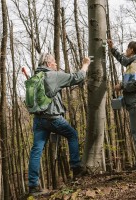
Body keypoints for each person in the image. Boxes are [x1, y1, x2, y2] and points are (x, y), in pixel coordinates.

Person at [28, 53, 90, 196]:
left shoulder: (35, 77)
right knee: (72, 135)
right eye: (54, 62)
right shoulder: (53, 75)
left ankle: (33, 185)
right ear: (49, 63)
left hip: (38, 119)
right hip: (53, 118)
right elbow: (77, 77)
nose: (56, 64)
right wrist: (85, 64)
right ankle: (76, 168)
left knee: (36, 150)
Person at [107, 40, 136, 170]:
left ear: (131, 50)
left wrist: (121, 86)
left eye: (127, 49)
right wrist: (112, 48)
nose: (125, 51)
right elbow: (123, 60)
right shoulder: (133, 62)